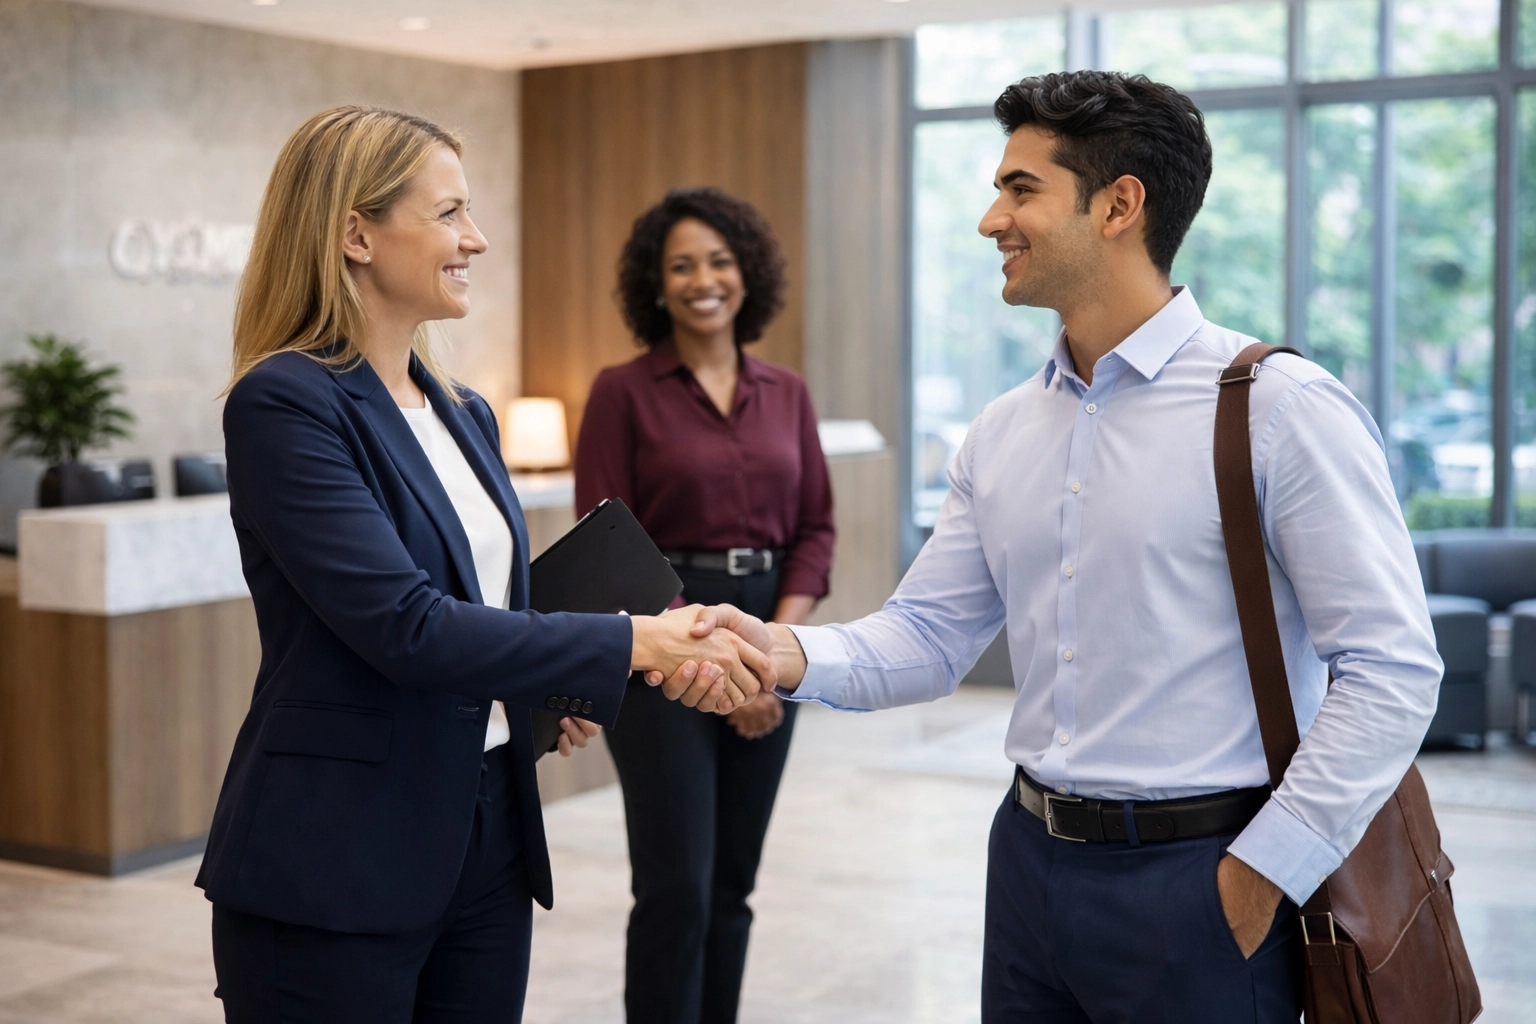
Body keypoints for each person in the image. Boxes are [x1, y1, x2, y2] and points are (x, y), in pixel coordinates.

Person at [691, 71, 1442, 1022]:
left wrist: (1262, 874)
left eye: (1021, 189)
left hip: (1205, 881)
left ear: (1119, 205)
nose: (990, 220)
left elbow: (1390, 668)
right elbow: (926, 636)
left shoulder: (1281, 410)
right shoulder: (1004, 430)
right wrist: (777, 650)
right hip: (1027, 866)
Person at [195, 106, 772, 1024]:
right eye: (450, 213)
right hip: (339, 852)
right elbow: (407, 625)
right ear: (356, 235)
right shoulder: (285, 403)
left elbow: (486, 606)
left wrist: (541, 692)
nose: (478, 238)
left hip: (489, 834)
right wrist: (634, 643)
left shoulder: (464, 411)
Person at [576, 187, 835, 1024]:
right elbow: (610, 538)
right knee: (676, 887)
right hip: (662, 637)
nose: (702, 280)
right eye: (681, 266)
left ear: (746, 272)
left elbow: (816, 530)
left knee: (731, 885)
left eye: (718, 262)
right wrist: (705, 651)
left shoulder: (787, 392)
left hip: (772, 633)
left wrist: (772, 653)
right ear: (655, 285)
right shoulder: (621, 391)